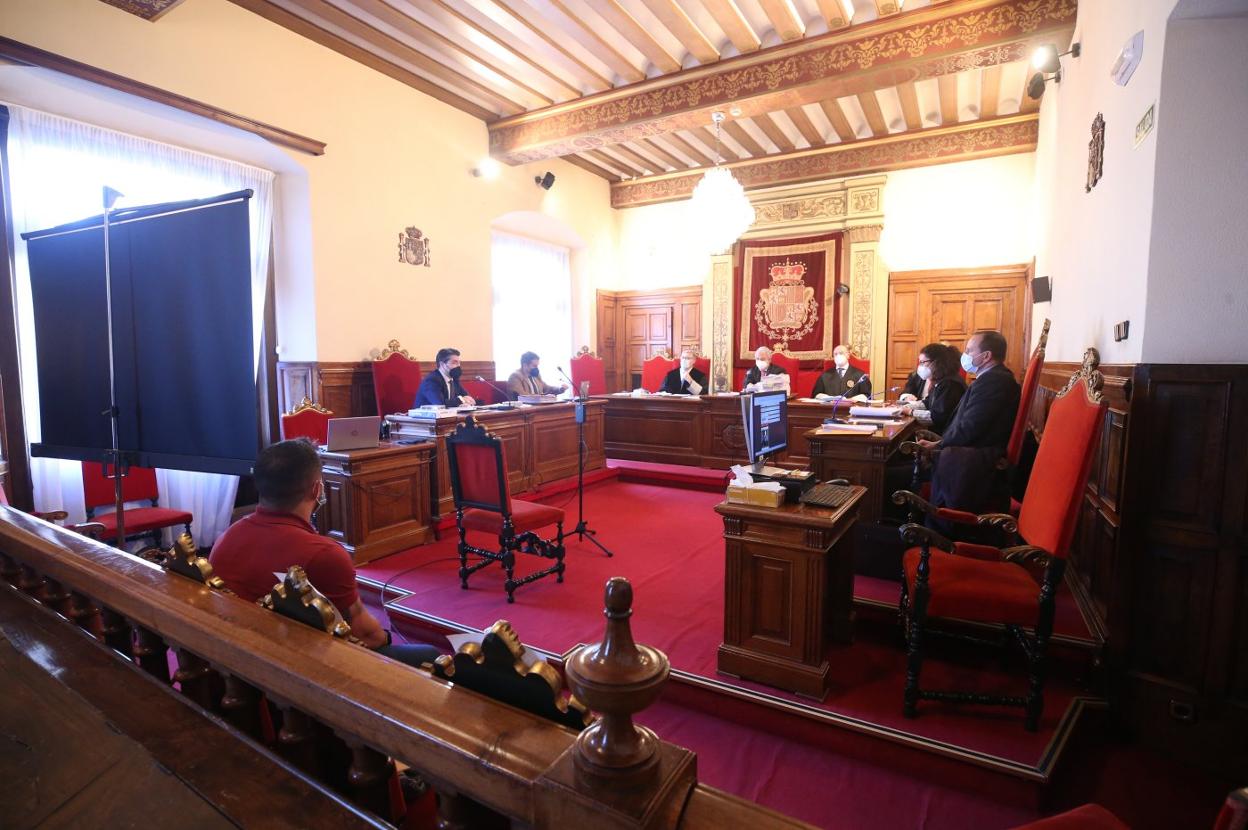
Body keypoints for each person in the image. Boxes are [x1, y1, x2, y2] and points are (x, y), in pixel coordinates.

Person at [210, 439, 441, 667]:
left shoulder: (227, 537)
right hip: (301, 667)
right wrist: (387, 637)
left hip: (238, 655)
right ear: (317, 489)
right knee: (429, 655)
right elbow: (367, 636)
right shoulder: (324, 554)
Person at [918, 331, 1019, 452]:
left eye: (969, 351)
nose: (964, 355)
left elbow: (970, 428)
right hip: (962, 450)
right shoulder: (991, 378)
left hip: (970, 457)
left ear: (986, 356)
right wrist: (938, 443)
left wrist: (938, 446)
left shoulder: (993, 381)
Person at [899, 343, 966, 435]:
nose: (920, 366)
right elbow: (927, 403)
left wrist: (910, 412)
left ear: (937, 362)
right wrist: (903, 407)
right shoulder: (941, 381)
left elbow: (937, 417)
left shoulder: (950, 384)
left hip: (945, 436)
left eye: (923, 362)